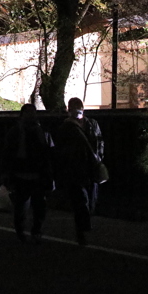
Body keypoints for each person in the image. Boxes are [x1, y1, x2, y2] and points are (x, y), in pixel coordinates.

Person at [52, 97, 104, 246]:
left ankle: (84, 226)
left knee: (91, 200)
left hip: (91, 168)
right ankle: (81, 231)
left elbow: (100, 142)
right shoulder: (66, 128)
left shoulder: (92, 124)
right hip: (75, 169)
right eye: (73, 107)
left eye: (78, 106)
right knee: (80, 201)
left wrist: (99, 158)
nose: (76, 110)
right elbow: (60, 149)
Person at [0, 104, 54, 243]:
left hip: (37, 173)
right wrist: (7, 173)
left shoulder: (41, 131)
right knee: (21, 206)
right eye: (28, 113)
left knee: (39, 206)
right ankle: (21, 230)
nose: (31, 116)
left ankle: (35, 230)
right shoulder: (17, 132)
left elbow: (49, 153)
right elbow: (8, 153)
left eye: (33, 113)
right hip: (21, 173)